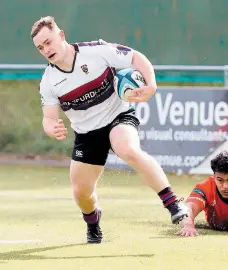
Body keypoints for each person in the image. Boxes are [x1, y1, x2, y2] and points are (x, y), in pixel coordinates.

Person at [31, 16, 188, 244]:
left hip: (118, 115)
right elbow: (48, 117)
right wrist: (50, 128)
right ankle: (93, 222)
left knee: (127, 149)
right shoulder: (48, 81)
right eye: (40, 47)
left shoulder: (96, 51)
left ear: (61, 35)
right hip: (87, 134)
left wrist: (151, 84)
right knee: (81, 192)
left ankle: (173, 203)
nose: (46, 49)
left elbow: (136, 57)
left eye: (48, 42)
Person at [177, 151, 228, 237]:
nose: (225, 186)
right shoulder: (206, 187)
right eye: (220, 180)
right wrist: (188, 225)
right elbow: (189, 208)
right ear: (214, 176)